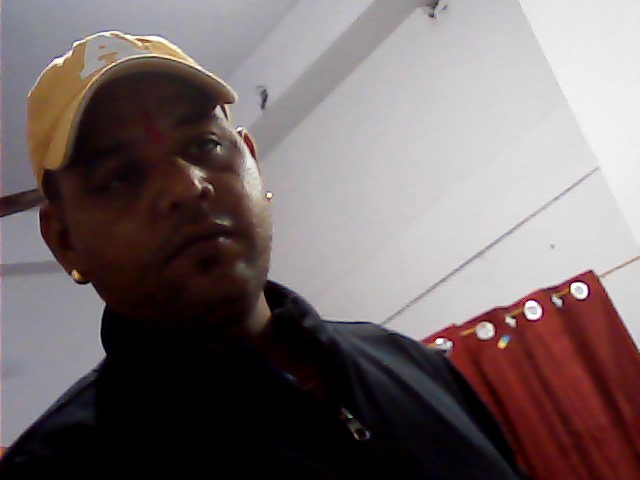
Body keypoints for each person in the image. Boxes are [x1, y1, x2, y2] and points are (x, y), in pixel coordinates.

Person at [0, 31, 527, 478]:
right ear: (64, 240)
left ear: (250, 159)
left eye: (204, 145)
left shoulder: (412, 366)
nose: (187, 187)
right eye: (121, 176)